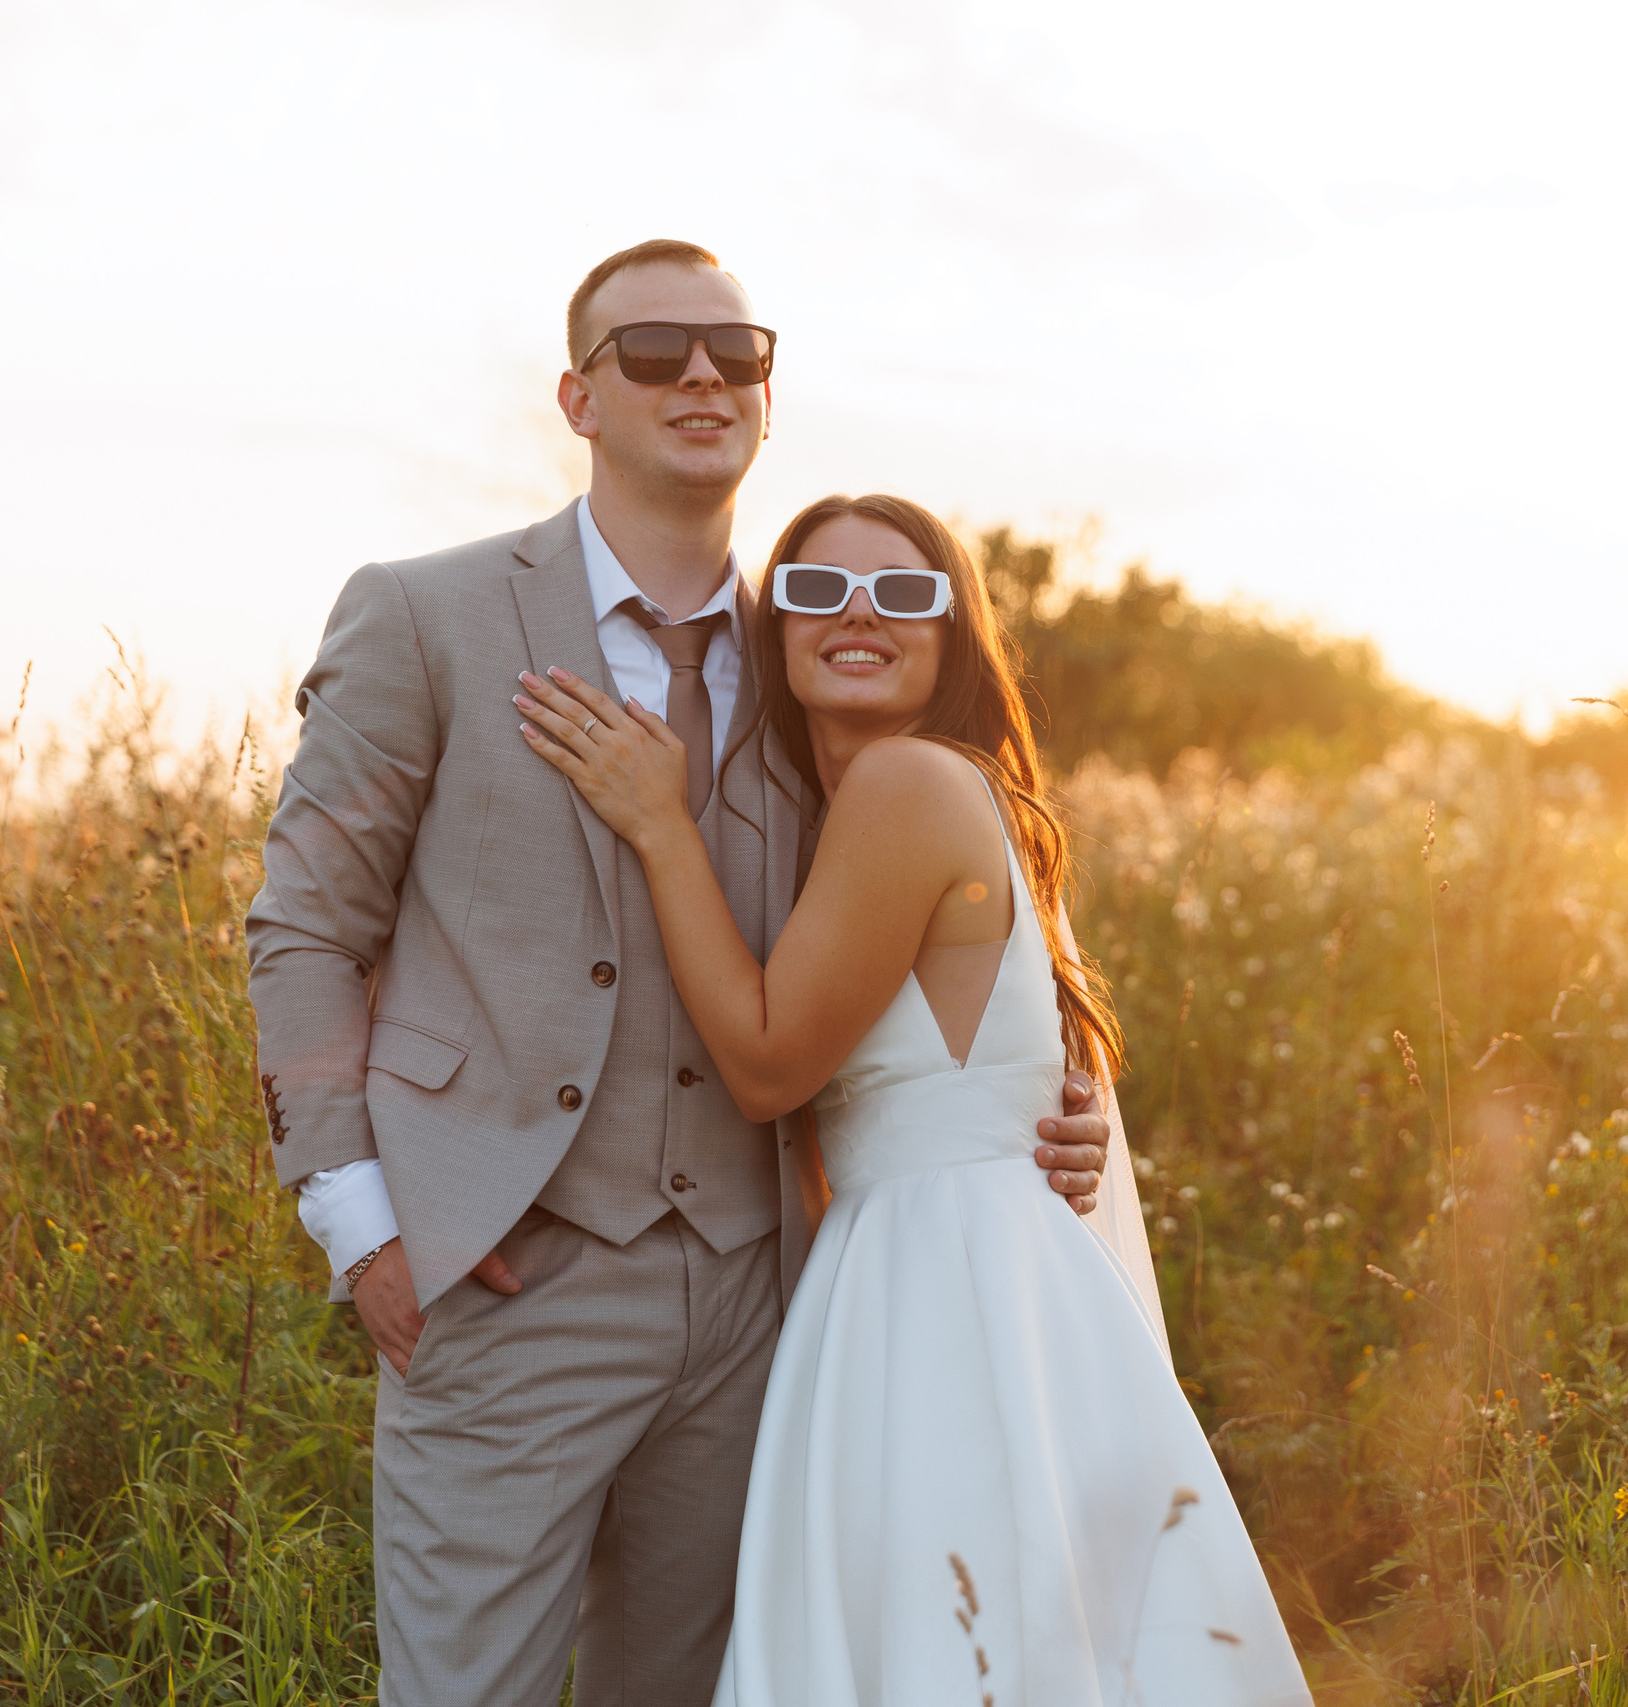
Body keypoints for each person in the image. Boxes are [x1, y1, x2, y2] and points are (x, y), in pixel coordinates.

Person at [245, 241, 1130, 1707]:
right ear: (579, 396)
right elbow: (304, 926)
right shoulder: (425, 614)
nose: (704, 375)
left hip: (765, 1309)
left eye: (738, 352)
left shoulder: (816, 669)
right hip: (505, 1276)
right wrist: (362, 1223)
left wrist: (1057, 1095)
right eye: (654, 352)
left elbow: (951, 935)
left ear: (770, 398)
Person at [514, 493, 1311, 1705]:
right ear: (775, 629)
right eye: (821, 592)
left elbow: (772, 1067)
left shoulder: (903, 784)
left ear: (953, 635)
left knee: (949, 1630)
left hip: (939, 1284)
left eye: (904, 593)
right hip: (951, 1261)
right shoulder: (913, 797)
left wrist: (658, 826)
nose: (860, 617)